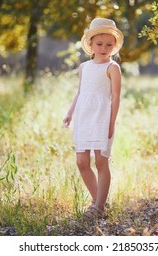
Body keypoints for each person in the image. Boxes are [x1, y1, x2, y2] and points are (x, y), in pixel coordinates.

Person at [63, 18, 124, 219]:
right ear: (90, 44)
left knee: (100, 161)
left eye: (109, 44)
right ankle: (98, 202)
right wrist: (70, 113)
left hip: (101, 117)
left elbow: (115, 97)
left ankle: (98, 207)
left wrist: (111, 123)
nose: (104, 48)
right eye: (99, 44)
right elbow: (81, 92)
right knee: (82, 162)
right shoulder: (84, 67)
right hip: (83, 117)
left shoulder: (113, 67)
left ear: (115, 46)